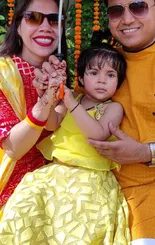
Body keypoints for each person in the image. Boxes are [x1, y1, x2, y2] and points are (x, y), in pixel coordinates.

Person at [0, 45, 130, 245]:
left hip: (91, 179)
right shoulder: (72, 99)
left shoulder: (112, 108)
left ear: (119, 82)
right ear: (80, 78)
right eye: (94, 73)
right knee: (26, 200)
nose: (102, 80)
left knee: (79, 229)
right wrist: (48, 95)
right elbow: (52, 123)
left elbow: (97, 133)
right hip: (57, 172)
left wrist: (71, 103)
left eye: (111, 75)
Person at [88, 0, 155, 244]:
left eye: (138, 7)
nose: (127, 19)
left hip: (146, 207)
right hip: (97, 198)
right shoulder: (103, 65)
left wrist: (143, 152)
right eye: (116, 11)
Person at [0, 0, 67, 215]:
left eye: (54, 20)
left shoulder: (63, 78)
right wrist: (44, 102)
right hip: (12, 189)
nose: (45, 27)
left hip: (56, 184)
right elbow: (13, 149)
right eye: (34, 18)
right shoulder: (2, 74)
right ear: (18, 26)